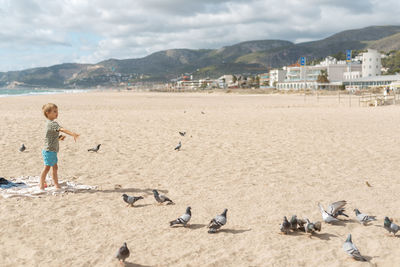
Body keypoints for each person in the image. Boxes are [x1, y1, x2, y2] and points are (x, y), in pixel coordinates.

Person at [40, 103, 79, 190]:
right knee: (46, 168)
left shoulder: (50, 124)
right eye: (54, 111)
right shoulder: (52, 124)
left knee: (55, 168)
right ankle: (41, 184)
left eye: (57, 111)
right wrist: (73, 134)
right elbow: (62, 129)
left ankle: (56, 184)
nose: (56, 113)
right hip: (49, 150)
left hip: (53, 150)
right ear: (47, 113)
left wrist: (60, 138)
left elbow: (52, 136)